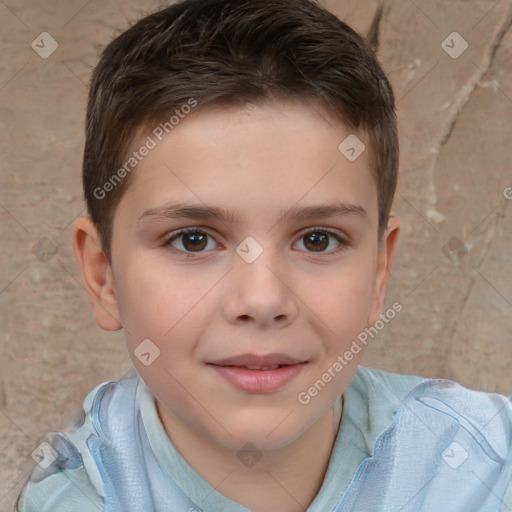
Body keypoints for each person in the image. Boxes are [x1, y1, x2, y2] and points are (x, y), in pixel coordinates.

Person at [16, 0, 512, 510]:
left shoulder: (488, 467)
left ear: (379, 272)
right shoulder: (72, 496)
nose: (262, 298)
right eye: (193, 240)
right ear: (104, 277)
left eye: (318, 239)